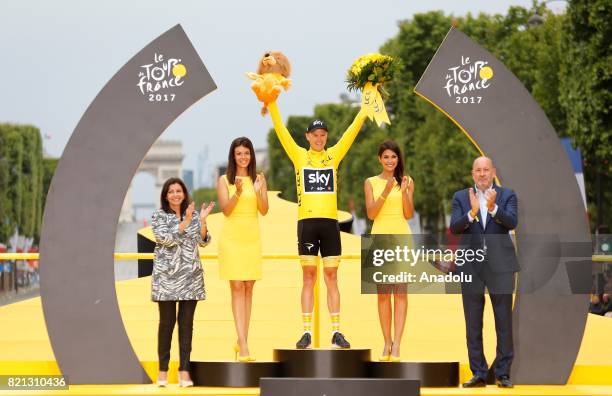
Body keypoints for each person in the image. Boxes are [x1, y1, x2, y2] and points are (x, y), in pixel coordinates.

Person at [267, 99, 367, 349]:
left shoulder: (333, 155)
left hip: (330, 223)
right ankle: (307, 332)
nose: (320, 139)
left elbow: (351, 132)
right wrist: (271, 104)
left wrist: (365, 108)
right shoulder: (299, 155)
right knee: (309, 277)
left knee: (332, 276)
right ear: (308, 136)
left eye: (323, 135)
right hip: (307, 223)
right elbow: (281, 130)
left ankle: (336, 332)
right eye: (315, 135)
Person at [450, 156, 519, 389]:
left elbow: (512, 222)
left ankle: (503, 373)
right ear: (472, 173)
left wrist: (492, 208)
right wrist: (472, 212)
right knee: (472, 322)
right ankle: (478, 372)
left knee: (503, 321)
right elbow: (455, 227)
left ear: (493, 172)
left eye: (486, 170)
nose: (482, 174)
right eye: (478, 170)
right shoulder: (460, 197)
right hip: (471, 266)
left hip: (501, 267)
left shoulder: (507, 195)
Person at [151, 177, 215, 387]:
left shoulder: (195, 215)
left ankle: (184, 371)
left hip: (190, 277)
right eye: (171, 191)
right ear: (165, 195)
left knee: (187, 325)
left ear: (184, 193)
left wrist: (202, 220)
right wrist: (186, 221)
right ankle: (162, 370)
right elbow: (165, 239)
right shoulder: (159, 216)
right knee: (166, 324)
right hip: (166, 278)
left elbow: (203, 241)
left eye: (179, 191)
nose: (176, 195)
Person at [217, 137, 269, 362]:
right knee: (237, 286)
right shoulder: (224, 180)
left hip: (251, 237)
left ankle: (242, 339)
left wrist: (258, 191)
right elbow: (226, 210)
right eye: (239, 153)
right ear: (233, 156)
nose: (243, 157)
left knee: (248, 287)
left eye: (246, 153)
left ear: (251, 155)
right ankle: (245, 344)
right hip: (232, 238)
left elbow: (264, 209)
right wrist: (238, 192)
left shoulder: (259, 178)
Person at [364, 140, 414, 362]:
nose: (390, 161)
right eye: (386, 157)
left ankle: (398, 345)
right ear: (379, 159)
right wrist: (385, 190)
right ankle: (386, 341)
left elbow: (409, 214)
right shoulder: (370, 182)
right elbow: (371, 214)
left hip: (401, 237)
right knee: (383, 293)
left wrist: (404, 192)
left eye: (393, 157)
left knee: (400, 292)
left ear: (398, 159)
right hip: (380, 238)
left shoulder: (407, 181)